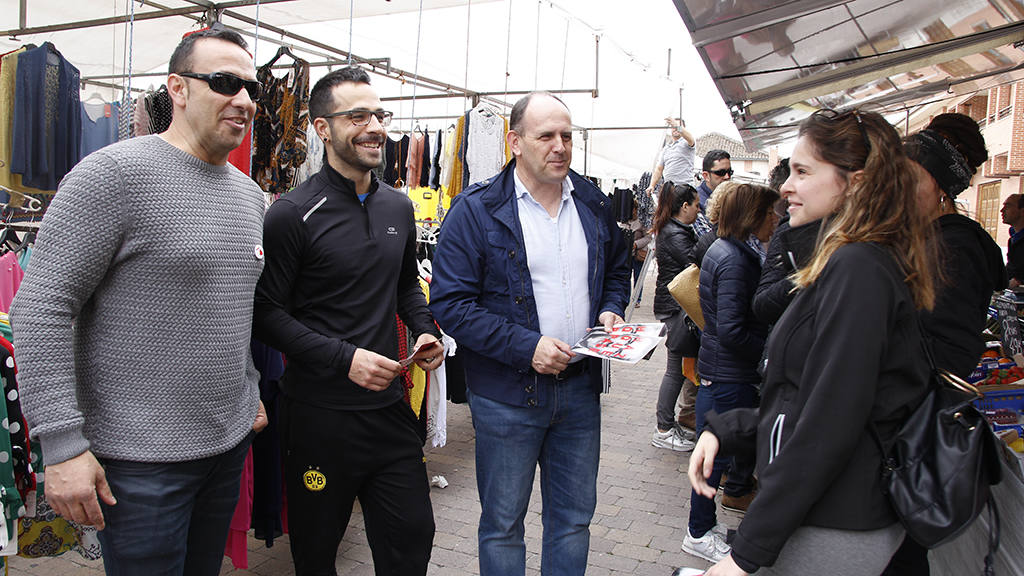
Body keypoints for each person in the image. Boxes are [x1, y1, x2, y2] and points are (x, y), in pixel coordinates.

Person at [9, 28, 267, 575]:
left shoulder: (250, 195)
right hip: (138, 462)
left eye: (251, 85)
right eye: (224, 82)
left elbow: (228, 305)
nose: (243, 99)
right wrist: (61, 445)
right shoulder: (113, 176)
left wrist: (249, 390)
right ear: (176, 87)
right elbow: (42, 308)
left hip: (225, 447)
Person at [687, 109, 936, 576]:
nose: (786, 186)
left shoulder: (858, 268)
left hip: (835, 518)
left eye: (804, 172)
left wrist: (746, 554)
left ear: (855, 183)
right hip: (825, 513)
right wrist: (729, 428)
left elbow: (829, 422)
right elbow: (807, 401)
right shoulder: (848, 262)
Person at [428, 91, 631, 576]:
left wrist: (610, 309)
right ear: (515, 142)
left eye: (567, 135)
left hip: (580, 392)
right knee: (502, 524)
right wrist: (527, 346)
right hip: (507, 398)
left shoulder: (593, 202)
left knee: (574, 520)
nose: (560, 146)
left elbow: (618, 269)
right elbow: (450, 305)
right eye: (547, 136)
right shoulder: (475, 210)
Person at [252, 66, 442, 576]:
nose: (375, 126)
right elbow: (266, 314)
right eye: (357, 115)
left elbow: (405, 284)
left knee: (411, 539)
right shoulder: (291, 213)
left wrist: (424, 328)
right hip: (319, 418)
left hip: (390, 411)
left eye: (379, 114)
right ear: (321, 127)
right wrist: (345, 358)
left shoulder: (399, 206)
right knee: (316, 555)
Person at [880, 113, 1007, 576]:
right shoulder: (920, 238)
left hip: (913, 429)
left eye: (908, 179)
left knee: (900, 554)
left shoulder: (953, 248)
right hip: (899, 421)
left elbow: (952, 350)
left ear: (941, 189)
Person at [681, 181, 778, 563]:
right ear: (752, 215)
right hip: (730, 372)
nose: (775, 220)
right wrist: (764, 359)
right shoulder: (735, 258)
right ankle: (699, 532)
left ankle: (703, 526)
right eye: (770, 213)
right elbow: (733, 328)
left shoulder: (729, 251)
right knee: (713, 457)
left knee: (713, 454)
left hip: (723, 368)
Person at [651, 182, 701, 451]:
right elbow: (695, 261)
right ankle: (663, 428)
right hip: (675, 308)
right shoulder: (674, 233)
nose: (698, 209)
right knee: (675, 371)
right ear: (685, 206)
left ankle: (667, 424)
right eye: (696, 205)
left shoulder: (677, 230)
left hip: (676, 307)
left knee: (678, 370)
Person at [647, 118, 697, 193]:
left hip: (685, 188)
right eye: (673, 127)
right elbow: (659, 169)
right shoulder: (666, 149)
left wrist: (676, 124)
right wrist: (652, 185)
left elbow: (691, 138)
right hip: (670, 189)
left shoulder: (687, 143)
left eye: (678, 126)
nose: (676, 128)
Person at [1002, 193, 1024, 287]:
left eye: (1008, 206)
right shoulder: (1014, 237)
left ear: (1022, 211)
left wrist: (1021, 280)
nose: (1002, 210)